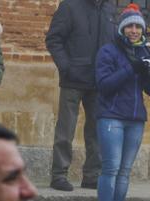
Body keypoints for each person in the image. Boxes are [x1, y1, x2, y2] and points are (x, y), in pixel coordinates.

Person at [93, 3, 150, 201]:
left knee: (125, 171)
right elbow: (104, 86)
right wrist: (130, 69)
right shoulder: (108, 51)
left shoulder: (145, 52)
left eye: (138, 27)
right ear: (122, 29)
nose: (134, 30)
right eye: (129, 26)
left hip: (135, 118)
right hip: (111, 116)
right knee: (110, 168)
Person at [45, 0, 115, 191]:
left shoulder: (109, 9)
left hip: (99, 80)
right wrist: (66, 67)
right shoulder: (70, 6)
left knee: (97, 131)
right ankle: (59, 175)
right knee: (65, 130)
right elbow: (53, 39)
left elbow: (114, 44)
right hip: (73, 79)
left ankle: (92, 176)